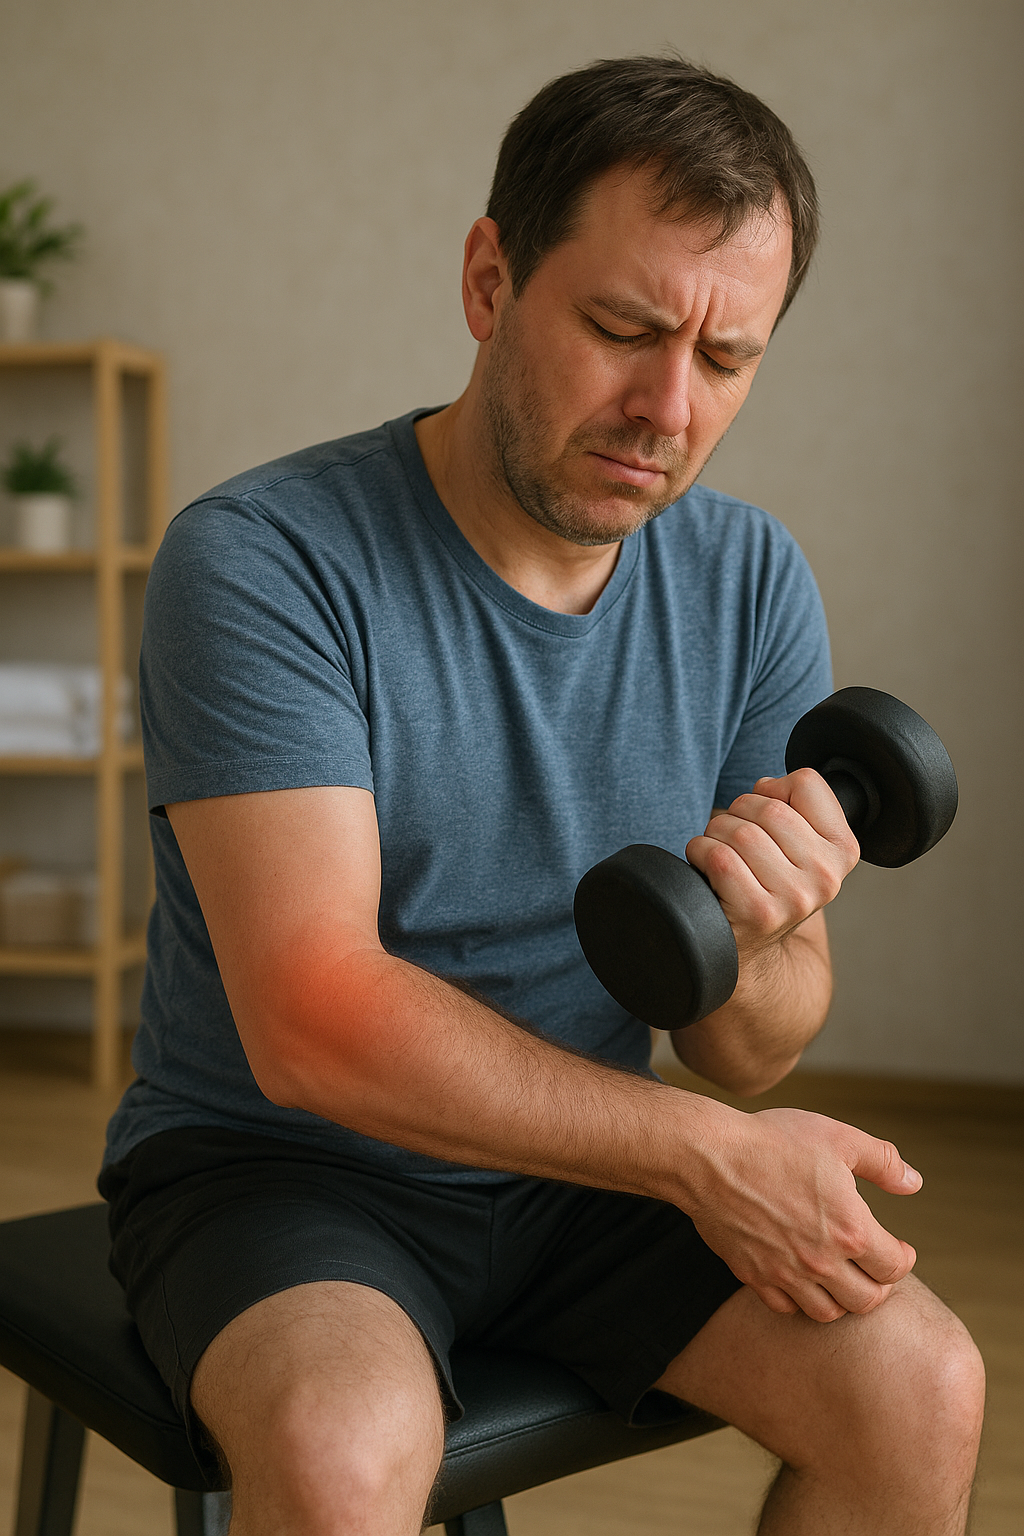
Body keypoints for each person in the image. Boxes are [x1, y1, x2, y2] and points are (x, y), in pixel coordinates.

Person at [99, 55, 983, 1536]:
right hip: (284, 1169)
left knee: (922, 1388)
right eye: (624, 328)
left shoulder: (749, 579)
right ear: (489, 278)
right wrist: (712, 1162)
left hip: (575, 1167)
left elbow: (751, 1053)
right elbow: (315, 1018)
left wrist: (768, 930)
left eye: (727, 359)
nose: (666, 407)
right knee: (340, 1449)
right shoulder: (263, 560)